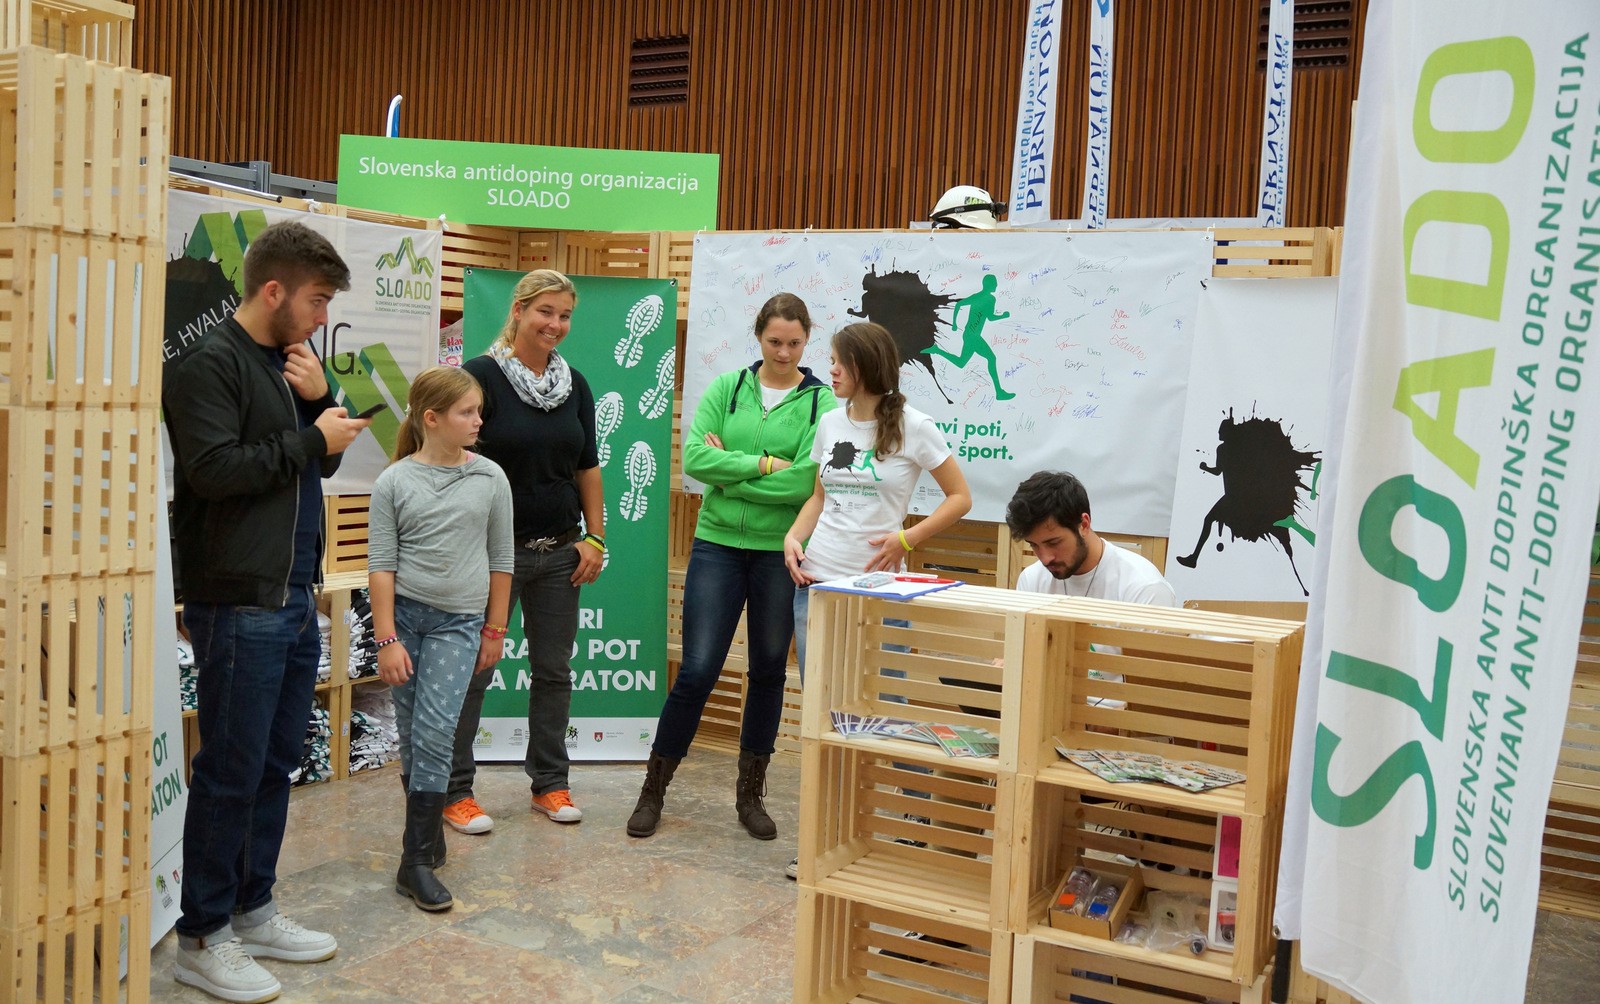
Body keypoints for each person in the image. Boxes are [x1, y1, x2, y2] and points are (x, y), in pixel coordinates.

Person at [163, 221, 372, 1003]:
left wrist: (323, 402)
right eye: (316, 301)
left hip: (292, 594)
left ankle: (252, 911)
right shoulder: (207, 364)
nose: (322, 317)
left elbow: (328, 454)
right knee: (231, 770)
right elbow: (213, 471)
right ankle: (201, 937)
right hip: (236, 598)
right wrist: (311, 436)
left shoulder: (292, 365)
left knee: (278, 760)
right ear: (274, 291)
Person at [627, 293, 835, 841]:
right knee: (697, 670)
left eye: (794, 343)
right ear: (759, 336)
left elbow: (807, 482)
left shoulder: (822, 403)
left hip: (780, 552)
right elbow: (697, 460)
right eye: (774, 341)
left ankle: (750, 795)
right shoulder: (728, 388)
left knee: (767, 671)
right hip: (716, 544)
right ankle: (653, 791)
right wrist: (765, 464)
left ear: (807, 340)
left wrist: (732, 475)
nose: (784, 352)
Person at [783, 321, 974, 878]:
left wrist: (906, 540)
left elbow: (960, 497)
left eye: (839, 361)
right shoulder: (829, 421)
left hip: (879, 595)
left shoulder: (915, 425)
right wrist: (793, 537)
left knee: (881, 714)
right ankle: (824, 839)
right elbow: (819, 497)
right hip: (817, 587)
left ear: (865, 366)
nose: (831, 370)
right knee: (825, 718)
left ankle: (898, 830)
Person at [445, 269, 604, 835]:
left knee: (554, 672)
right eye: (545, 312)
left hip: (560, 554)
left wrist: (595, 536)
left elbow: (587, 465)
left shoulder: (574, 384)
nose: (555, 324)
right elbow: (454, 457)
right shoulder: (480, 376)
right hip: (493, 557)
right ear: (518, 310)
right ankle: (454, 791)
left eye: (565, 315)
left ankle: (550, 785)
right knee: (474, 671)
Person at [368, 366, 513, 912]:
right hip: (404, 622)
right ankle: (426, 840)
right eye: (466, 412)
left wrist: (494, 630)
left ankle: (415, 863)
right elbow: (381, 565)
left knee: (435, 731)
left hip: (460, 623)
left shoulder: (491, 478)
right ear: (431, 419)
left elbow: (502, 560)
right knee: (411, 733)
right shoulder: (394, 482)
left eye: (478, 411)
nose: (478, 421)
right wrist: (386, 639)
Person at [1006, 470, 1177, 606]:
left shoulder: (1144, 588)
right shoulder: (1032, 581)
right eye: (1034, 545)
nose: (1045, 558)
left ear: (1084, 524)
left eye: (1053, 543)